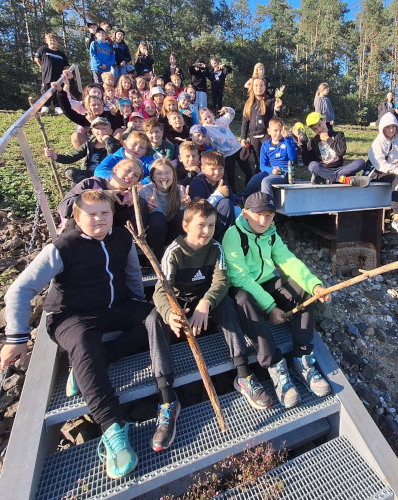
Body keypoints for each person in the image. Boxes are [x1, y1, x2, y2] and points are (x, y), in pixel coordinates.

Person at [0, 189, 154, 479]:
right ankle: (112, 428)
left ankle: (93, 364)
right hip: (72, 315)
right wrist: (16, 337)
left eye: (105, 213)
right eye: (91, 214)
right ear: (77, 217)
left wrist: (138, 304)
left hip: (115, 306)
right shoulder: (63, 247)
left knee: (158, 321)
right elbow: (20, 290)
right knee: (84, 344)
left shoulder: (122, 238)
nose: (99, 219)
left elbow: (133, 274)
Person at [145, 199, 267, 451]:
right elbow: (161, 289)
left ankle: (243, 374)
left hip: (206, 306)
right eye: (201, 225)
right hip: (180, 306)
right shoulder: (174, 252)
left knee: (228, 304)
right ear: (186, 226)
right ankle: (167, 399)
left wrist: (206, 303)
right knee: (153, 319)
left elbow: (221, 282)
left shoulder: (216, 248)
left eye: (211, 225)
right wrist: (170, 313)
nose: (207, 231)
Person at [223, 192, 333, 408]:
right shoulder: (233, 235)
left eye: (269, 216)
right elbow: (239, 277)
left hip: (266, 282)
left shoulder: (271, 233)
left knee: (302, 292)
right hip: (243, 288)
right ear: (245, 213)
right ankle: (275, 366)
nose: (263, 220)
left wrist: (314, 284)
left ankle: (303, 360)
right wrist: (271, 306)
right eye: (258, 215)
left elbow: (288, 260)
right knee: (243, 299)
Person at [58, 159, 144, 233]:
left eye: (136, 175)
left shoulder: (129, 200)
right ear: (115, 169)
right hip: (78, 234)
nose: (130, 175)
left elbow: (125, 230)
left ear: (136, 182)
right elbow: (64, 209)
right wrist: (99, 194)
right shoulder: (90, 184)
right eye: (128, 170)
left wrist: (134, 207)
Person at [296, 112, 369, 186]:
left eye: (319, 125)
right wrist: (303, 145)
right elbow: (308, 163)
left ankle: (328, 180)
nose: (319, 129)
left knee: (361, 162)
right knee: (312, 165)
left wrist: (327, 139)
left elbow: (341, 151)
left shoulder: (338, 135)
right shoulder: (313, 142)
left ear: (324, 120)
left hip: (340, 169)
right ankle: (342, 179)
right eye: (315, 129)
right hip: (324, 171)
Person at [138, 159, 189, 259]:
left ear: (173, 175)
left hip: (173, 232)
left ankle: (175, 253)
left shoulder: (180, 190)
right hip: (154, 232)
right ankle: (158, 256)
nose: (163, 177)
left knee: (184, 214)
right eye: (159, 173)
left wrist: (185, 205)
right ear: (153, 176)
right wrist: (148, 208)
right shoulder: (146, 190)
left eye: (167, 173)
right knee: (157, 217)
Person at [45, 117, 121, 183]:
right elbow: (72, 157)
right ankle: (89, 184)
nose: (100, 131)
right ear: (93, 132)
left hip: (105, 175)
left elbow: (113, 155)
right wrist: (56, 156)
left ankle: (91, 185)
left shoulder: (115, 144)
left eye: (104, 128)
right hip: (88, 174)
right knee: (69, 171)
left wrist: (107, 140)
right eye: (97, 128)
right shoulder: (89, 144)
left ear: (110, 131)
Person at [189, 150, 240, 242]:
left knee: (229, 204)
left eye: (220, 168)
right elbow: (198, 211)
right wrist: (219, 194)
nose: (217, 172)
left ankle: (232, 237)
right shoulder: (198, 183)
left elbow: (234, 206)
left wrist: (245, 219)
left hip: (220, 223)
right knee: (226, 203)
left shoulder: (223, 183)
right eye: (213, 169)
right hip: (203, 225)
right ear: (203, 168)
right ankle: (222, 240)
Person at [199, 107, 253, 194]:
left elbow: (232, 113)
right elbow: (198, 132)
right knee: (231, 177)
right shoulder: (206, 129)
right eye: (205, 119)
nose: (208, 119)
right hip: (226, 155)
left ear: (213, 115)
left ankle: (249, 192)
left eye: (209, 116)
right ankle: (234, 196)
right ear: (201, 122)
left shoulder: (221, 121)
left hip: (238, 149)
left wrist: (227, 109)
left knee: (249, 172)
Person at [242, 117, 297, 198]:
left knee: (266, 181)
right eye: (275, 130)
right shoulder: (265, 145)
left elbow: (292, 158)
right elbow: (262, 165)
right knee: (255, 179)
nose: (278, 133)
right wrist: (272, 170)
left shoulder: (288, 140)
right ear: (269, 131)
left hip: (285, 172)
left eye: (281, 130)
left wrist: (287, 139)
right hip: (272, 171)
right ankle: (243, 199)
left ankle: (267, 204)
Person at [241, 76, 283, 171]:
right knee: (257, 159)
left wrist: (277, 109)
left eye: (261, 85)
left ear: (265, 87)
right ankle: (259, 176)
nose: (258, 88)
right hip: (253, 136)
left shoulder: (270, 101)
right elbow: (245, 122)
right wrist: (243, 138)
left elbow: (275, 120)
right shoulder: (248, 103)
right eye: (256, 85)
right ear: (252, 87)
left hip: (266, 135)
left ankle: (271, 176)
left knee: (268, 158)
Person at [34, 33, 69, 115]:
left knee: (58, 91)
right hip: (47, 75)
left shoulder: (61, 54)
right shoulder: (43, 50)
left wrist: (64, 75)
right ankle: (45, 107)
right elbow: (37, 59)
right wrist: (43, 67)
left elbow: (66, 66)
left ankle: (58, 107)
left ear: (57, 42)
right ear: (46, 41)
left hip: (58, 77)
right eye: (50, 40)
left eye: (54, 40)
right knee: (46, 90)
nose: (53, 42)